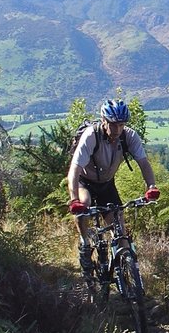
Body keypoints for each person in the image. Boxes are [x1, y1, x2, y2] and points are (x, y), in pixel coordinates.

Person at [67, 99, 159, 273]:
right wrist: (74, 200)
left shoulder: (129, 136)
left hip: (107, 184)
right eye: (113, 124)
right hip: (85, 181)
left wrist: (151, 187)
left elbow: (144, 163)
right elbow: (74, 169)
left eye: (121, 124)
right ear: (104, 121)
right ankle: (85, 243)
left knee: (120, 230)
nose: (117, 129)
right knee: (83, 204)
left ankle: (125, 274)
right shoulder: (90, 135)